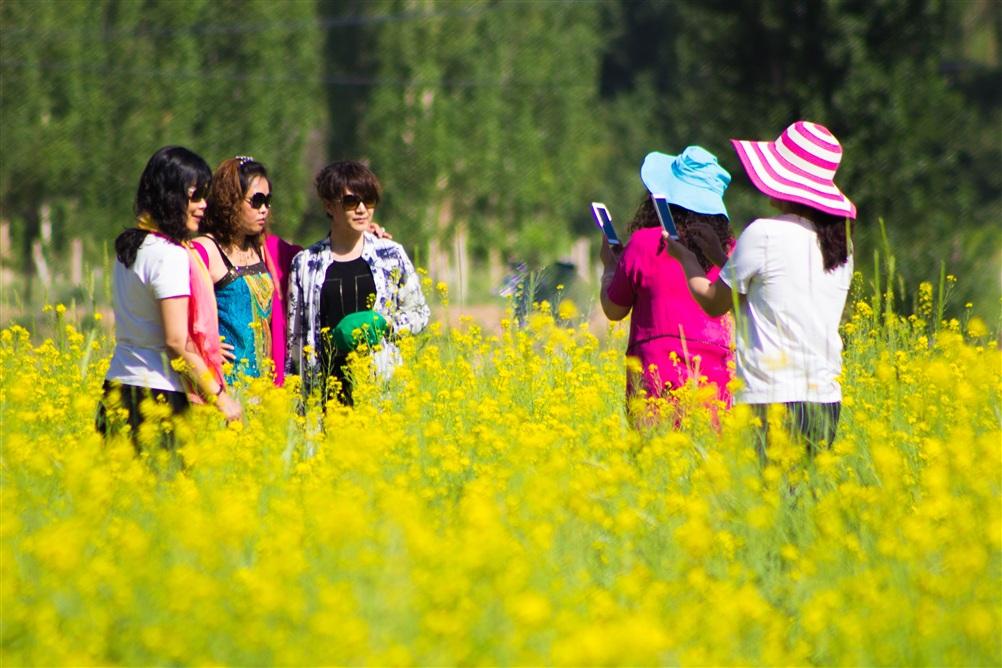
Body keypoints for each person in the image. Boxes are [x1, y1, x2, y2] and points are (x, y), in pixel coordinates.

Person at [665, 121, 855, 456]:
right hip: (825, 401)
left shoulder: (763, 233)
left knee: (765, 503)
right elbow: (771, 289)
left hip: (771, 399)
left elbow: (714, 302)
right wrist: (716, 254)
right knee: (800, 504)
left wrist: (685, 258)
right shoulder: (841, 246)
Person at [97, 146, 241, 450]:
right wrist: (219, 396)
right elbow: (176, 343)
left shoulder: (130, 247)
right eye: (195, 196)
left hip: (117, 388)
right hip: (158, 397)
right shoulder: (170, 255)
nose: (203, 206)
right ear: (171, 196)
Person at [599, 146, 735, 426]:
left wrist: (610, 266)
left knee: (655, 462)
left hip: (654, 376)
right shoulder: (730, 252)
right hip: (715, 379)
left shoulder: (642, 244)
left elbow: (613, 309)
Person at [286, 160, 430, 405]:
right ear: (330, 205)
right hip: (324, 395)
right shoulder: (306, 264)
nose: (362, 209)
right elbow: (295, 336)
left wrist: (386, 324)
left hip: (378, 393)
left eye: (369, 200)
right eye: (352, 202)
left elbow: (420, 314)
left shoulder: (390, 255)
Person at [195, 157, 285, 384]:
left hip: (265, 391)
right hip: (225, 388)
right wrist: (202, 344)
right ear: (231, 200)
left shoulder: (266, 249)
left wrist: (366, 236)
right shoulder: (205, 250)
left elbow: (317, 257)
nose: (264, 209)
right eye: (256, 200)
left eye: (268, 200)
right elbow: (175, 310)